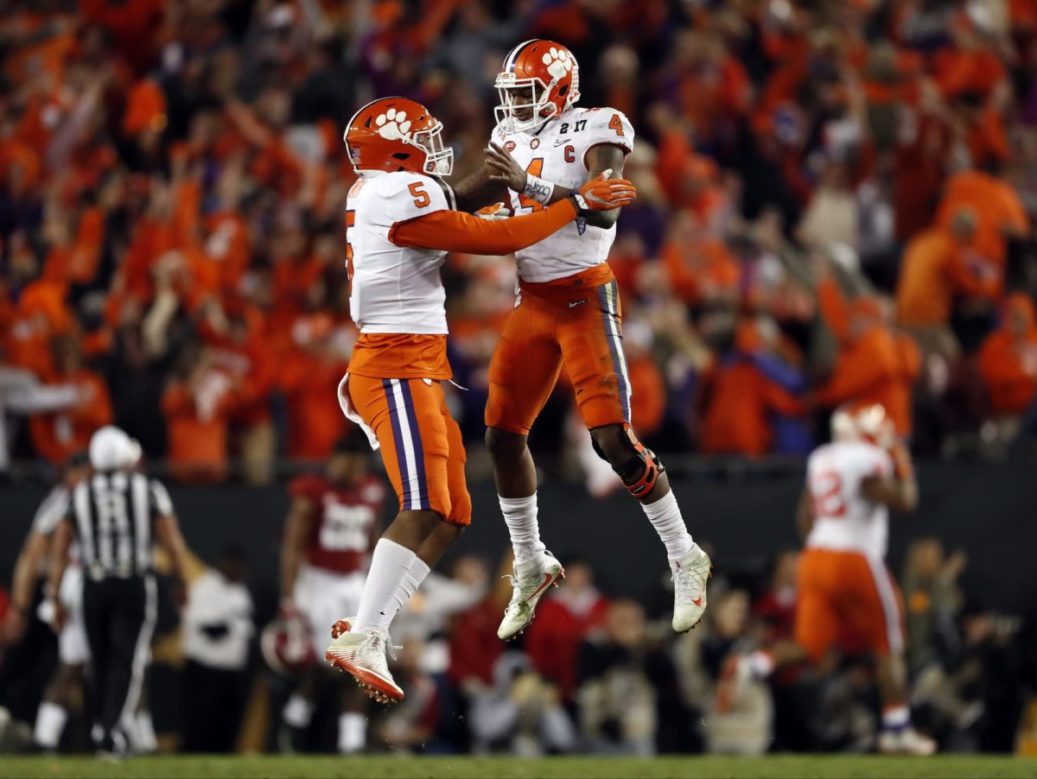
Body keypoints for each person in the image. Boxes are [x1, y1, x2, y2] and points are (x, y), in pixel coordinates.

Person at [324, 96, 636, 703]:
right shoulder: (393, 195)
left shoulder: (390, 189)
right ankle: (362, 632)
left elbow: (461, 200)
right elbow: (495, 238)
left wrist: (503, 179)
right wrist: (576, 201)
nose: (435, 148)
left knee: (453, 512)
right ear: (396, 150)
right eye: (422, 138)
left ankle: (372, 626)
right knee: (422, 504)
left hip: (418, 364)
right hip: (392, 365)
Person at [452, 40, 710, 641]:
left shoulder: (599, 128)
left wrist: (531, 189)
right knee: (500, 434)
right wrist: (412, 201)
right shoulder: (511, 139)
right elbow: (468, 197)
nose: (515, 105)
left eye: (526, 92)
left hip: (584, 297)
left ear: (562, 90)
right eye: (510, 93)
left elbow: (603, 209)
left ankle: (684, 553)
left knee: (611, 441)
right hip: (532, 299)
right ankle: (531, 560)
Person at [716, 403, 936, 755]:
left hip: (816, 556)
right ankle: (897, 729)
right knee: (889, 643)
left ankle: (752, 664)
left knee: (809, 647)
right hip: (855, 555)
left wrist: (823, 548)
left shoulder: (822, 458)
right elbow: (905, 501)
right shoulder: (866, 458)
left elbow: (804, 516)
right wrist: (902, 460)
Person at [48, 425, 190, 757]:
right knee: (126, 658)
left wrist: (54, 594)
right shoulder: (148, 490)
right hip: (133, 582)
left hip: (93, 584)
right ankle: (110, 731)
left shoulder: (78, 494)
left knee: (100, 659)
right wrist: (182, 580)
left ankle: (106, 728)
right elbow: (172, 540)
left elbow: (60, 546)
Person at [279, 430, 386, 753]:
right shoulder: (312, 491)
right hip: (319, 580)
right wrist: (288, 597)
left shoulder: (371, 491)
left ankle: (350, 742)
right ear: (334, 460)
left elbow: (373, 538)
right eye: (347, 462)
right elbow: (293, 546)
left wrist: (379, 581)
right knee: (325, 664)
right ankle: (295, 719)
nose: (352, 471)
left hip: (353, 581)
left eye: (358, 464)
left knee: (358, 660)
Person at [2, 453, 91, 751]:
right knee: (35, 666)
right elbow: (33, 552)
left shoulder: (90, 495)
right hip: (58, 594)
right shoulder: (64, 498)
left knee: (81, 669)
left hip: (76, 592)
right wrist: (21, 606)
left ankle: (63, 739)